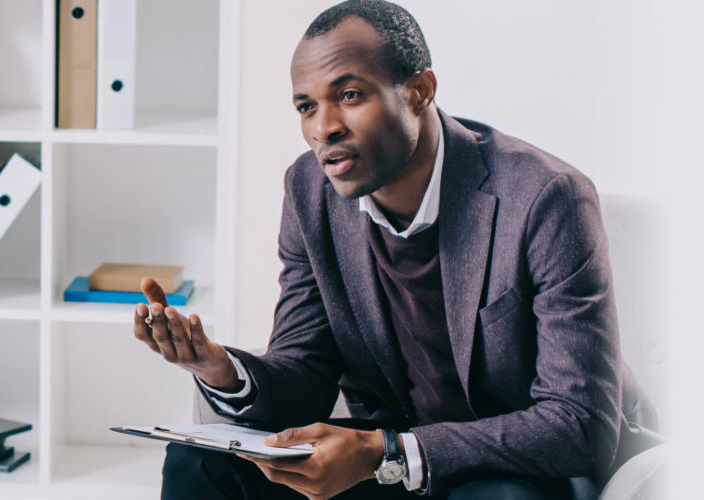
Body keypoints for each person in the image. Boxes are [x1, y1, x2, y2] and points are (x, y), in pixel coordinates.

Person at [134, 2, 656, 499]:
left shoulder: (545, 198)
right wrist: (220, 367)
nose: (324, 128)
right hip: (389, 459)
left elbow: (578, 422)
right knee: (198, 462)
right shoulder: (308, 192)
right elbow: (305, 371)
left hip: (525, 467)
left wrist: (387, 451)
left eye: (351, 95)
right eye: (306, 106)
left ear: (419, 91)